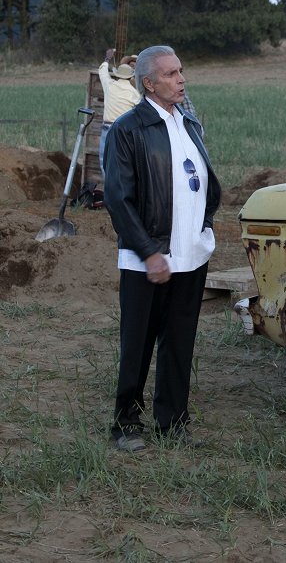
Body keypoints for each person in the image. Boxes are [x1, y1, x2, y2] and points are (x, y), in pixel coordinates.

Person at [103, 45, 221, 452]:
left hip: (190, 256)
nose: (181, 79)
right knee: (137, 343)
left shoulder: (189, 122)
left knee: (179, 341)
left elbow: (201, 182)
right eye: (171, 74)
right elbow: (119, 200)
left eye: (181, 71)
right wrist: (149, 251)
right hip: (147, 259)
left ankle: (172, 422)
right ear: (148, 83)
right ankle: (125, 424)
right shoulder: (128, 130)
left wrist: (204, 231)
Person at [98, 48, 141, 177]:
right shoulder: (135, 94)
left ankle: (110, 189)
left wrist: (107, 59)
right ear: (131, 76)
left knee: (103, 162)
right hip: (124, 131)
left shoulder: (110, 85)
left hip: (107, 128)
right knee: (123, 163)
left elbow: (102, 72)